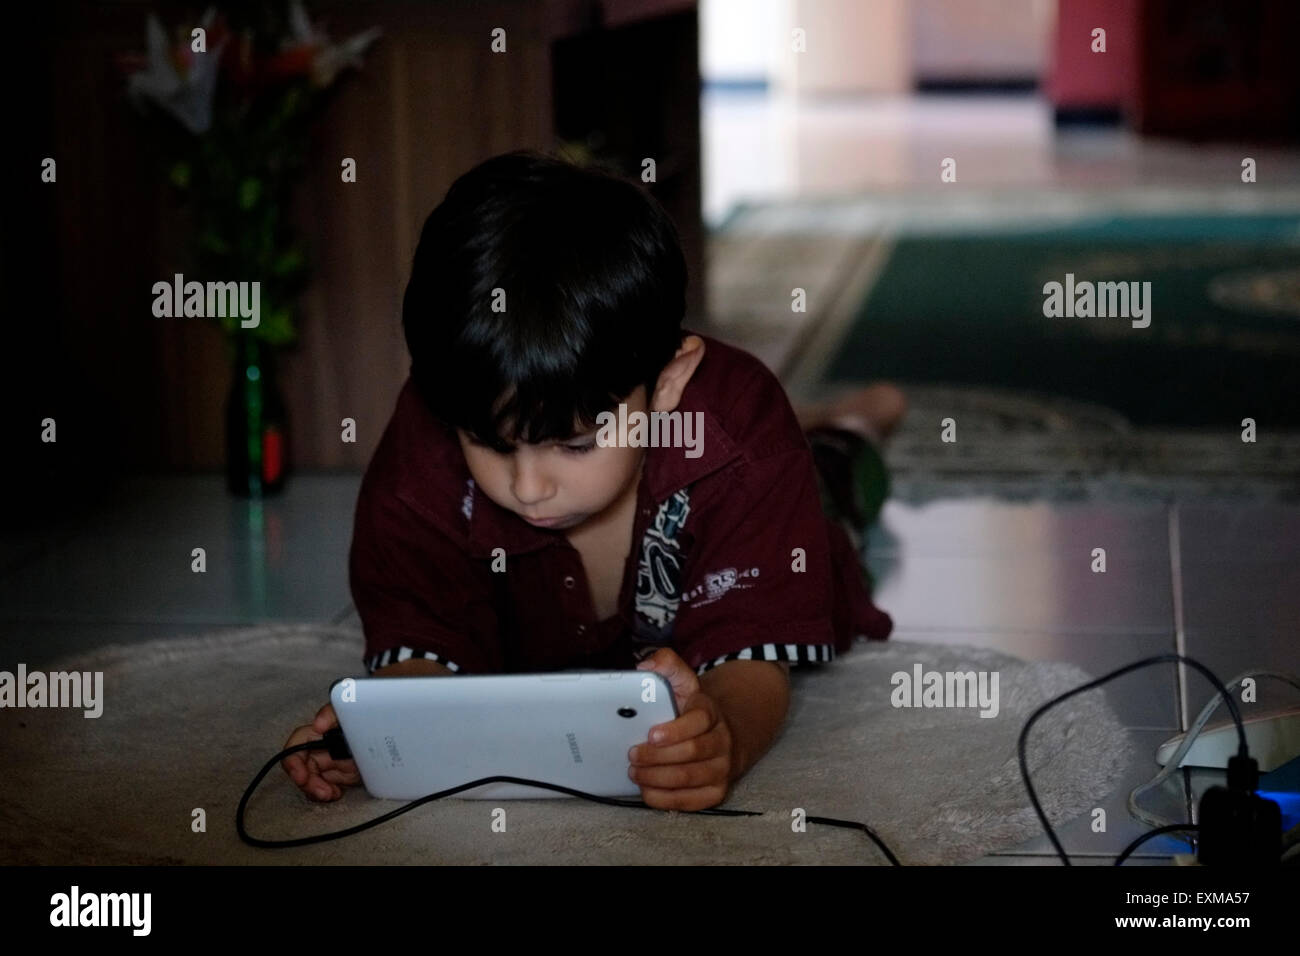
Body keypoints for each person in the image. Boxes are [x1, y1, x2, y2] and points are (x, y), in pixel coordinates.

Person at [282, 149, 906, 812]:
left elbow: (750, 658)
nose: (527, 487)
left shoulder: (739, 437)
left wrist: (724, 737)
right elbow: (420, 625)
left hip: (801, 491)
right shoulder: (434, 421)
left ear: (667, 382)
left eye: (573, 444)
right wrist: (385, 729)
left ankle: (860, 420)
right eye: (487, 444)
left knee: (836, 473)